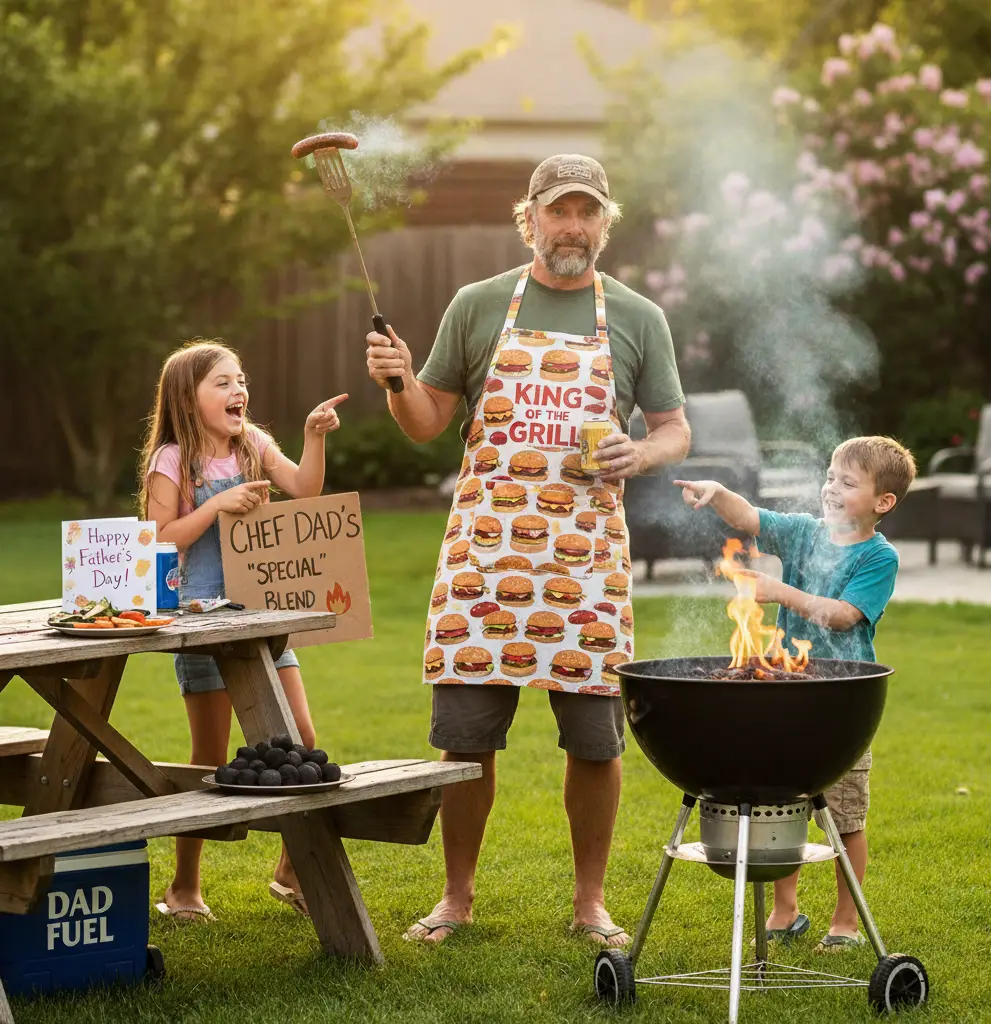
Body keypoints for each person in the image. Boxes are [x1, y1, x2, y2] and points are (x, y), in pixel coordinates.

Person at [365, 154, 691, 946]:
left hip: (584, 567)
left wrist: (639, 455)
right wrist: (397, 381)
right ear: (531, 218)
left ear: (604, 223)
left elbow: (675, 430)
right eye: (558, 211)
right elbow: (426, 421)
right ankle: (457, 898)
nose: (572, 226)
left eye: (587, 213)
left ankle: (589, 904)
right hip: (485, 555)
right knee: (466, 738)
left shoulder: (639, 317)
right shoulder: (478, 306)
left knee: (593, 740)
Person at [676, 434, 917, 951]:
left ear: (883, 502)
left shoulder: (879, 558)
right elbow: (750, 519)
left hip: (841, 708)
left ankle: (845, 922)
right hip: (788, 697)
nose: (832, 488)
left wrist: (779, 592)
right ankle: (786, 911)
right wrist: (718, 492)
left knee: (845, 819)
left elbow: (841, 614)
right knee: (786, 811)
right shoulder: (805, 532)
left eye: (848, 483)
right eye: (830, 477)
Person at [138, 340, 347, 922]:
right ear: (189, 396)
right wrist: (217, 505)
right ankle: (184, 887)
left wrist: (313, 435)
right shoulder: (174, 461)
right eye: (223, 384)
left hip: (263, 623)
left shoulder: (253, 444)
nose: (239, 392)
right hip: (202, 626)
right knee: (208, 756)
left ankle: (290, 868)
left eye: (241, 381)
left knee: (301, 737)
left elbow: (305, 489)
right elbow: (158, 538)